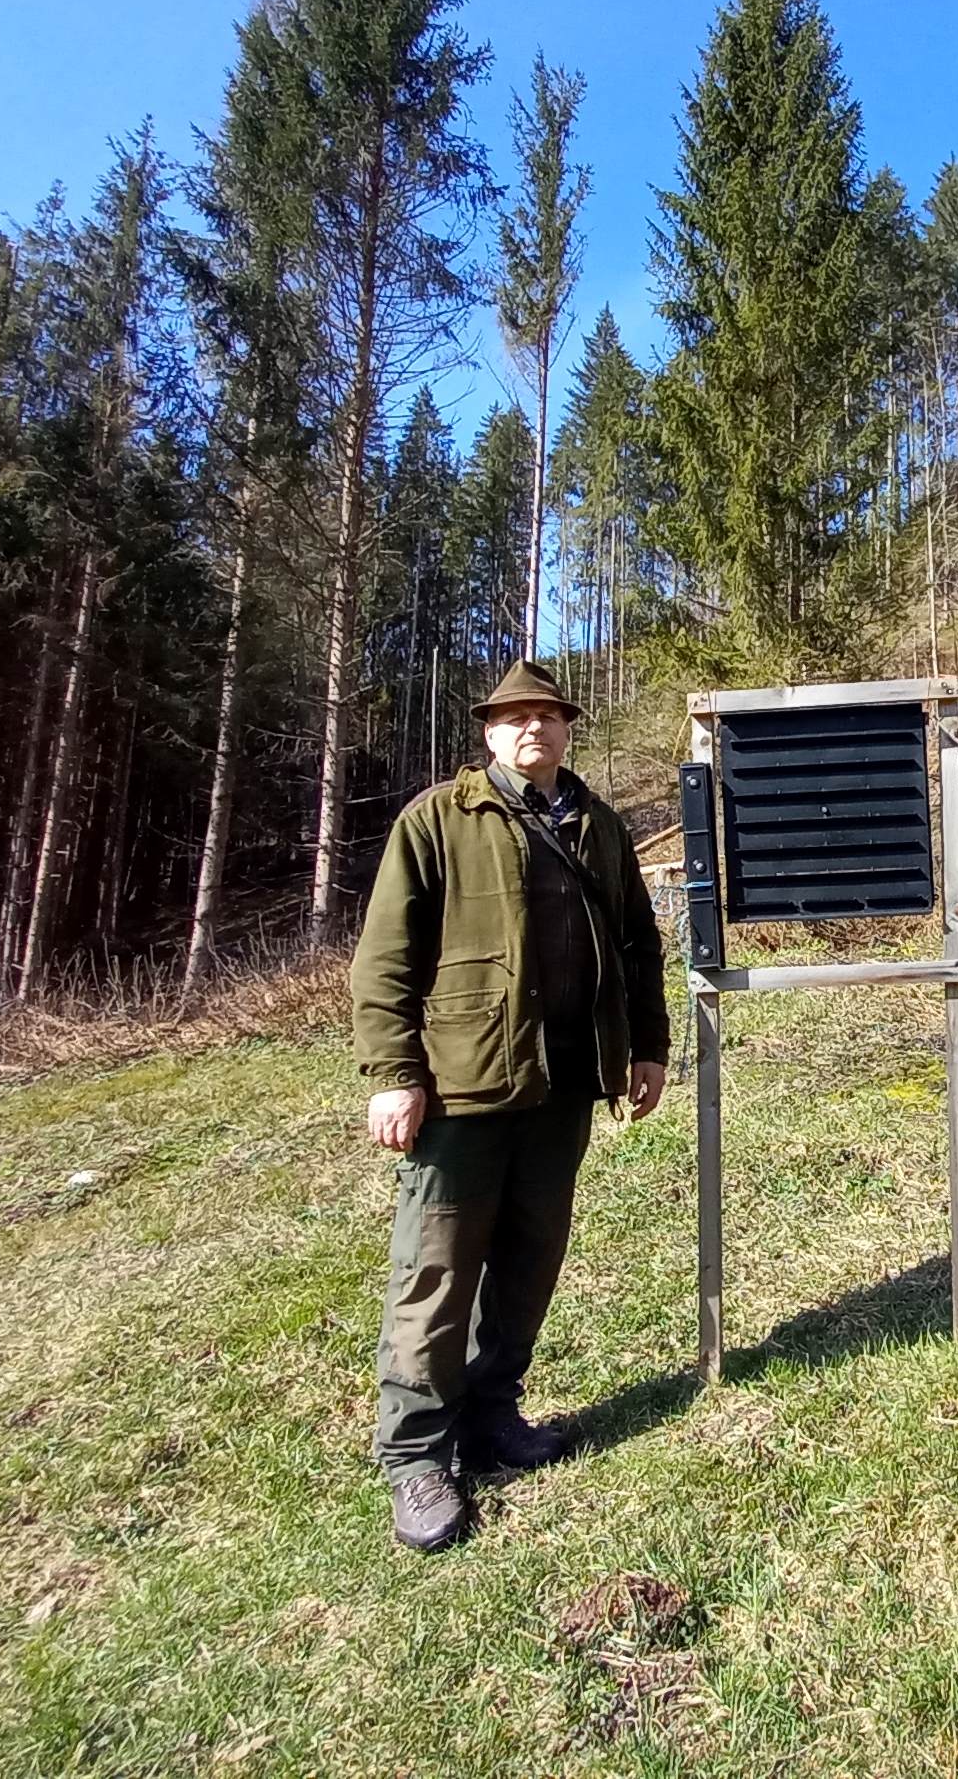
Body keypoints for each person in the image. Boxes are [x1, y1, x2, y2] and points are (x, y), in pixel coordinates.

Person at [350, 658, 670, 1552]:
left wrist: (646, 1047)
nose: (534, 728)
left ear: (569, 729)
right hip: (462, 1087)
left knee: (529, 1261)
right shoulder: (438, 820)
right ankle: (417, 1457)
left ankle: (493, 1419)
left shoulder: (599, 826)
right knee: (438, 1270)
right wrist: (392, 1073)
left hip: (565, 1084)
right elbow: (384, 958)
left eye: (548, 716)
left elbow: (639, 946)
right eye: (514, 718)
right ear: (489, 734)